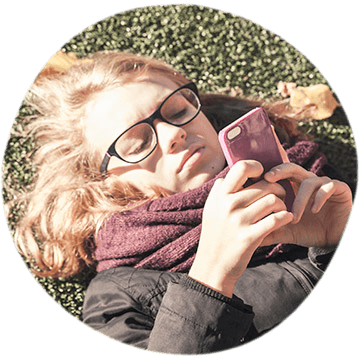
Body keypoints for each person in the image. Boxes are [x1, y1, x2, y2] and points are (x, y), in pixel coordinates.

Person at [12, 51, 353, 355]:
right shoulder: (116, 296)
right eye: (137, 142)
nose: (173, 133)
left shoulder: (316, 182)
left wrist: (335, 244)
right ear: (108, 184)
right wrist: (211, 276)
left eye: (178, 110)